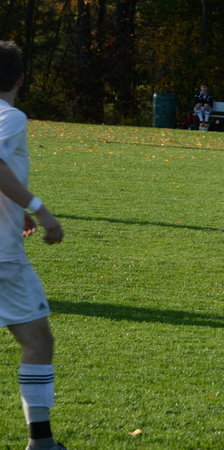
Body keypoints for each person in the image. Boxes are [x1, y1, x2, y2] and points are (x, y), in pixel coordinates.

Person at [0, 40, 66, 450]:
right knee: (38, 340)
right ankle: (41, 443)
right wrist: (40, 209)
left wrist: (14, 206)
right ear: (21, 78)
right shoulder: (10, 116)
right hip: (2, 258)